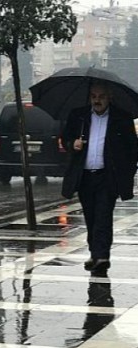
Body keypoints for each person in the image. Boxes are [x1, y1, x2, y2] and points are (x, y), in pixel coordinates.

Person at [61, 81, 138, 273]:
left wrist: (127, 173)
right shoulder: (79, 116)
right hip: (85, 176)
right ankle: (95, 253)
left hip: (107, 177)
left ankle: (102, 256)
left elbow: (132, 149)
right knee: (91, 217)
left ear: (109, 97)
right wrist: (73, 144)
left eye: (101, 96)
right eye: (94, 96)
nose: (97, 100)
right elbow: (65, 139)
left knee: (103, 216)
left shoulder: (122, 118)